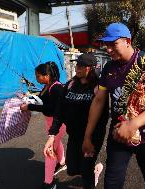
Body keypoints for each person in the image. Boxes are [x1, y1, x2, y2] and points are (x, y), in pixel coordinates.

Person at [82, 22, 145, 189]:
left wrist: (134, 124)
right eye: (106, 44)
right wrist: (88, 136)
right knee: (111, 182)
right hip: (118, 134)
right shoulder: (108, 67)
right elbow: (99, 100)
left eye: (113, 43)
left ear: (127, 41)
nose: (108, 49)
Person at [44, 53, 109, 189]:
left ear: (90, 68)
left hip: (92, 137)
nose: (76, 68)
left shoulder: (98, 87)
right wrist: (52, 135)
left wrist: (90, 139)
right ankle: (93, 170)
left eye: (81, 66)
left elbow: (102, 119)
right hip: (74, 135)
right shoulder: (70, 84)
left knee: (85, 170)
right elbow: (59, 111)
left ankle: (91, 176)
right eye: (76, 65)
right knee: (72, 168)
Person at [20, 62, 66, 189]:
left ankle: (49, 182)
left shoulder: (57, 88)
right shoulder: (47, 86)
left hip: (57, 124)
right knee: (57, 144)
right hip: (50, 122)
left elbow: (50, 108)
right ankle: (62, 161)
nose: (36, 78)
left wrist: (29, 106)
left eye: (38, 76)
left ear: (47, 75)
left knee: (49, 152)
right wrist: (28, 97)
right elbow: (42, 100)